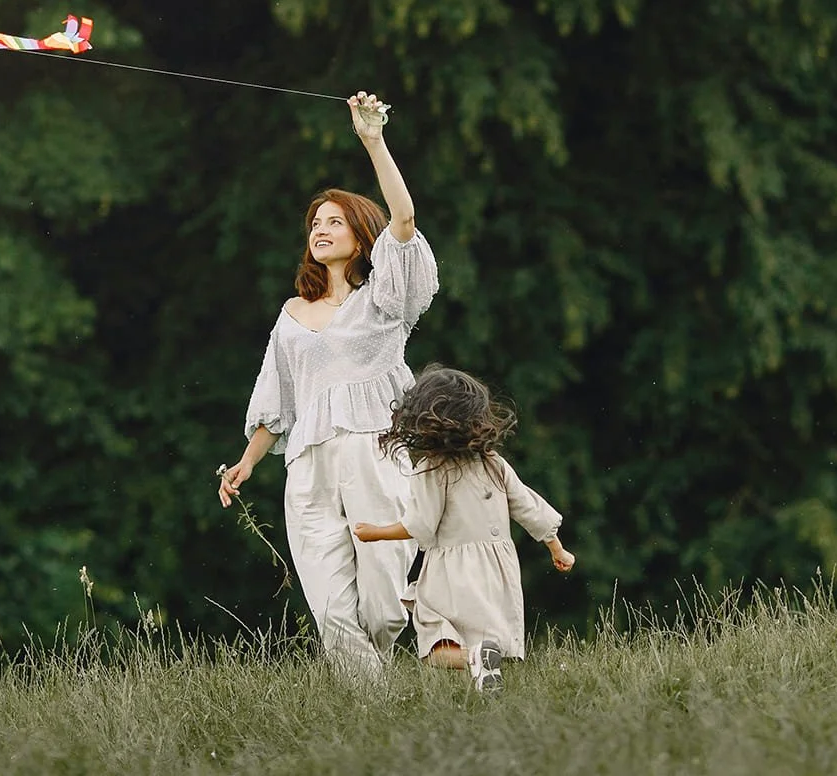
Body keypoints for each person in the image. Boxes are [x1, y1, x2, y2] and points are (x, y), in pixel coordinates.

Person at [218, 90, 439, 677]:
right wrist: (246, 462)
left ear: (362, 235)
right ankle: (375, 719)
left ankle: (386, 683)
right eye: (316, 223)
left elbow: (406, 221)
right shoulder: (292, 313)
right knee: (330, 605)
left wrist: (373, 140)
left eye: (335, 221)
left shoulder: (384, 301)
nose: (321, 229)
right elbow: (277, 396)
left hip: (377, 452)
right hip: (309, 463)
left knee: (385, 607)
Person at [352, 365, 575, 692]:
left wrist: (376, 532)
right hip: (497, 570)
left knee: (433, 640)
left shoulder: (431, 468)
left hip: (450, 572)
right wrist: (557, 547)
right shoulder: (493, 462)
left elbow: (421, 525)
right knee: (486, 632)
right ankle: (484, 671)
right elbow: (528, 506)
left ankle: (474, 658)